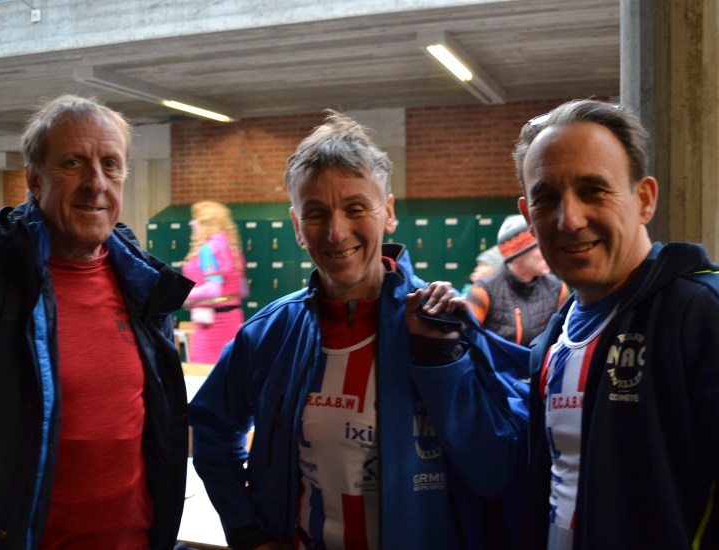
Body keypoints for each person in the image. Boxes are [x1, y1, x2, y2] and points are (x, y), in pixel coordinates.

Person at [189, 111, 529, 550]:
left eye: (355, 208)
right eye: (315, 213)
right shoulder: (269, 334)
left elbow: (496, 472)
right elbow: (212, 432)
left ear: (388, 213)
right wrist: (247, 532)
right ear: (296, 226)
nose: (336, 232)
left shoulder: (442, 323)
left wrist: (442, 364)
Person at [0, 95, 194, 549]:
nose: (96, 184)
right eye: (73, 163)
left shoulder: (143, 285)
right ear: (34, 180)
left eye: (111, 165)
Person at [512, 99, 719, 549]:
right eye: (547, 198)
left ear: (644, 199)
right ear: (528, 217)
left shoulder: (702, 315)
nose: (570, 219)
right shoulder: (553, 340)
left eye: (593, 190)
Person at [466, 214, 568, 346]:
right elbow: (467, 340)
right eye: (541, 246)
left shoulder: (558, 289)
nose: (549, 252)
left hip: (540, 360)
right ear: (518, 254)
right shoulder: (483, 291)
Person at [182, 200, 247, 364]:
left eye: (195, 219)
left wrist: (184, 294)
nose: (192, 223)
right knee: (231, 367)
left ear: (206, 223)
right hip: (233, 321)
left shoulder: (208, 249)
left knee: (205, 371)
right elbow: (243, 290)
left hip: (211, 326)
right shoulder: (234, 251)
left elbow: (213, 289)